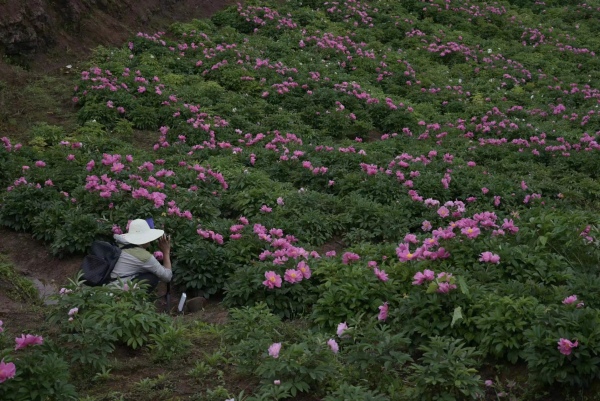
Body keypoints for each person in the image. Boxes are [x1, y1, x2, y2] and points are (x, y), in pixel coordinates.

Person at [111, 219, 172, 291]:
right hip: (115, 290)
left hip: (105, 284)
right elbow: (167, 276)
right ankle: (135, 300)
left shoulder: (120, 244)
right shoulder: (143, 256)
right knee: (152, 278)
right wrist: (166, 252)